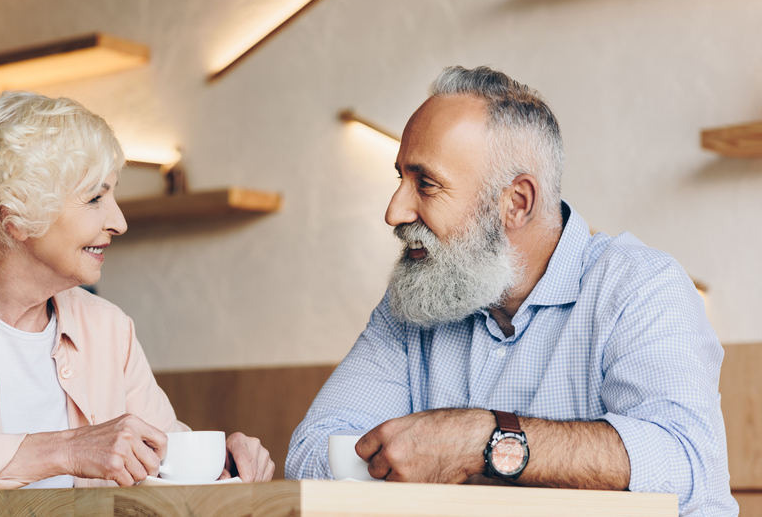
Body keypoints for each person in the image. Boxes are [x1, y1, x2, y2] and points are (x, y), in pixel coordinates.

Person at [286, 66, 736, 517]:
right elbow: (310, 454)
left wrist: (484, 441)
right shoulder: (412, 301)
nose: (395, 211)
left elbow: (685, 463)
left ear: (516, 203)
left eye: (425, 183)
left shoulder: (640, 287)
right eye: (399, 179)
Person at [0, 92, 274, 517]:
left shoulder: (108, 328)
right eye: (94, 198)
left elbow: (162, 460)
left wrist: (224, 466)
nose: (119, 221)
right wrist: (64, 449)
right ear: (16, 216)